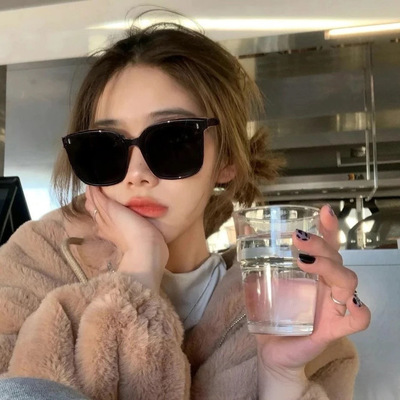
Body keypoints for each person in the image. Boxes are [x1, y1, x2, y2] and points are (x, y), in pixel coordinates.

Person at [0, 21, 370, 400]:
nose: (137, 173)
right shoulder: (32, 267)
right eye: (106, 147)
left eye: (173, 141)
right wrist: (137, 275)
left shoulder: (287, 309)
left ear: (227, 160)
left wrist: (281, 377)